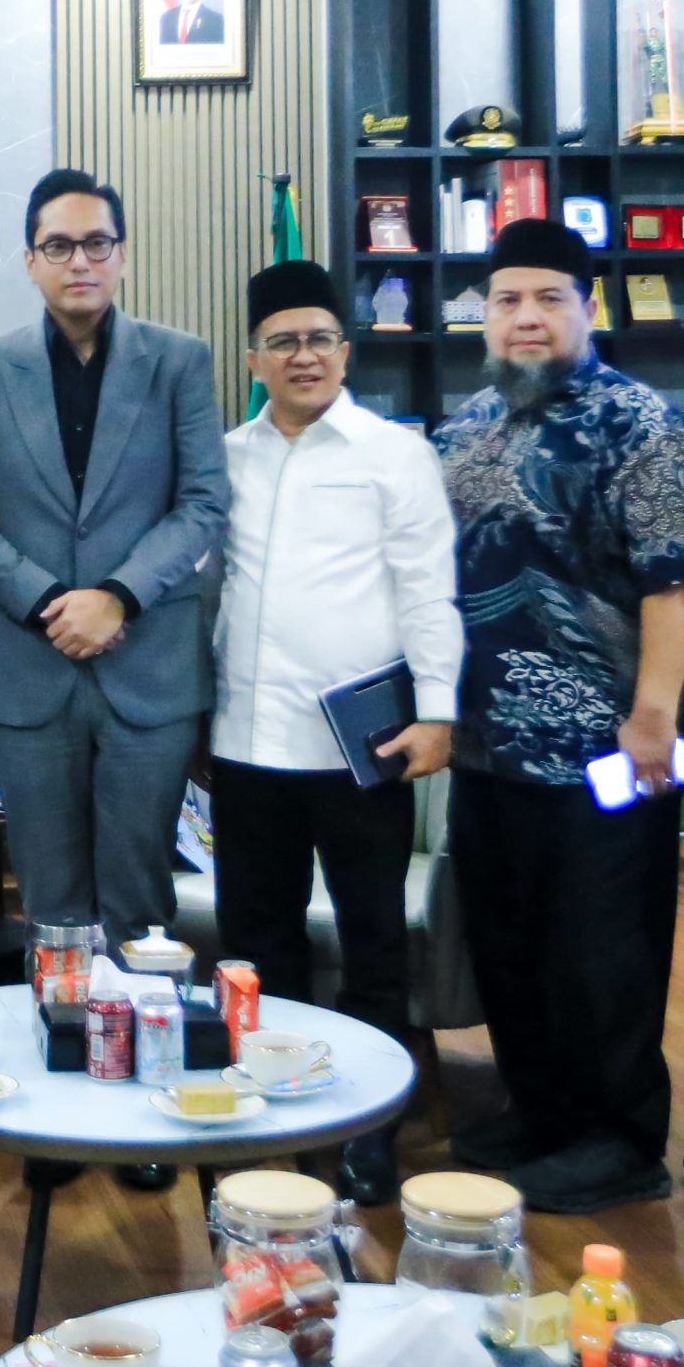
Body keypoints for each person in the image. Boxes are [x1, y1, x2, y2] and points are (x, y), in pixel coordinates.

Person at [434, 218, 684, 1214]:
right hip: (487, 745)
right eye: (507, 299)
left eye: (548, 298)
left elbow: (674, 582)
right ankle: (542, 1110)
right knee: (510, 943)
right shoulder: (467, 426)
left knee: (602, 951)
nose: (525, 317)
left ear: (588, 306)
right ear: (484, 313)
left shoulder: (638, 424)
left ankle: (620, 1139)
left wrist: (655, 715)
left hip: (603, 748)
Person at [0, 166, 228, 1193]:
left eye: (96, 242)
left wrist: (117, 596)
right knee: (53, 902)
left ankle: (148, 1107)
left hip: (147, 662)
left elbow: (202, 502)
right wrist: (48, 601)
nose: (79, 261)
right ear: (30, 261)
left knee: (141, 896)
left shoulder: (179, 362)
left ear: (122, 254)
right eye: (57, 245)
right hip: (30, 668)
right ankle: (60, 1108)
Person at [210, 258, 462, 1206]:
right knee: (255, 942)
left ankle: (367, 1127)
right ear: (254, 360)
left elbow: (428, 589)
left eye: (319, 338)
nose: (303, 355)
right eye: (283, 341)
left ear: (346, 352)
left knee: (372, 941)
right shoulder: (226, 458)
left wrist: (437, 710)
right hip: (247, 744)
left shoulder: (394, 454)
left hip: (365, 747)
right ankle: (270, 1109)